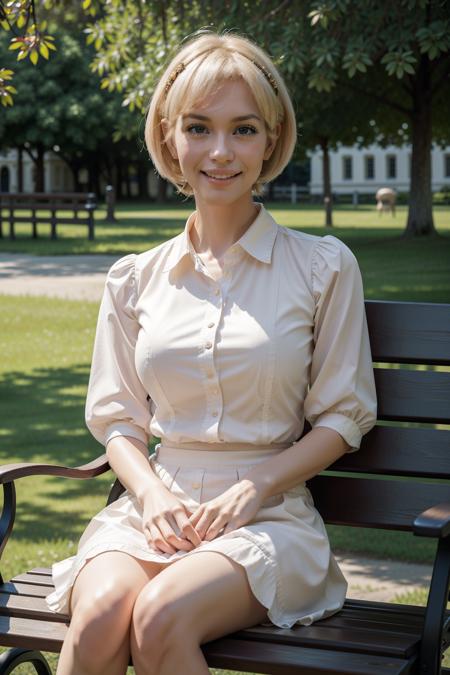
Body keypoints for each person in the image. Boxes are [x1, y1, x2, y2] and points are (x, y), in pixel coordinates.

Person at [47, 30, 377, 675]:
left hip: (271, 518)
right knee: (99, 615)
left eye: (244, 129)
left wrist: (255, 485)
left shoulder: (323, 267)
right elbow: (116, 418)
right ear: (170, 138)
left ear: (272, 138)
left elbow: (345, 415)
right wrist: (149, 494)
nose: (220, 152)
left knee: (160, 615)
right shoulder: (134, 278)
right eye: (199, 128)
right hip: (153, 510)